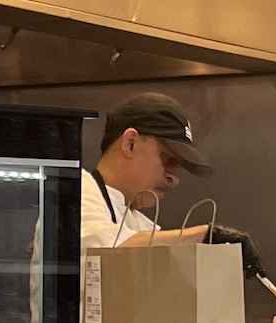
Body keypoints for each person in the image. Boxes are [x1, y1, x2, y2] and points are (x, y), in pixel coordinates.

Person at [81, 92, 212, 252]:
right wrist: (206, 236)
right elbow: (102, 249)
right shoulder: (74, 191)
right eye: (167, 159)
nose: (174, 178)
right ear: (130, 143)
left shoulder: (140, 224)